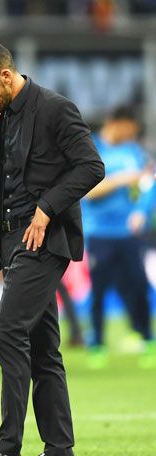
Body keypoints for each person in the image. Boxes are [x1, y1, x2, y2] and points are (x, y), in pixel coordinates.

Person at [0, 39, 104, 456]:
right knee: (43, 349)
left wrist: (47, 208)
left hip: (43, 238)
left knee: (6, 336)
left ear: (5, 75)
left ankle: (8, 453)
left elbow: (91, 166)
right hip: (11, 240)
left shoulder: (55, 109)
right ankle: (59, 452)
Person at [83, 107, 156, 367]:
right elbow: (86, 191)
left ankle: (148, 339)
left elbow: (149, 185)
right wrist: (122, 179)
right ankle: (97, 344)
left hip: (128, 233)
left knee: (137, 287)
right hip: (99, 233)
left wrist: (141, 212)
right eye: (129, 128)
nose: (131, 134)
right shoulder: (90, 150)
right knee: (99, 290)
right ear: (116, 123)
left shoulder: (133, 152)